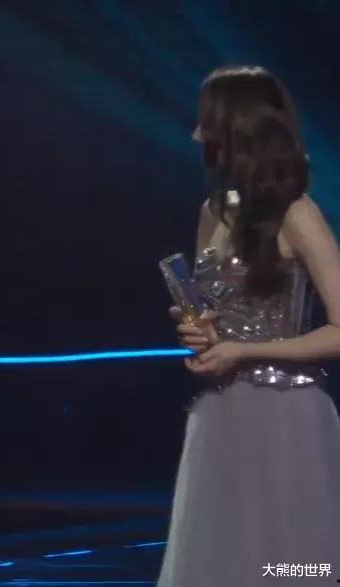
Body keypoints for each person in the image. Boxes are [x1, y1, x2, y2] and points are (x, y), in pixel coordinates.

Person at [157, 66, 340, 586]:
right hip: (220, 415)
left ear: (236, 127)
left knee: (289, 567)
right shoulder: (212, 211)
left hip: (285, 415)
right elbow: (215, 313)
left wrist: (248, 352)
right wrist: (201, 333)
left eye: (205, 121)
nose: (196, 135)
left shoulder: (297, 214)